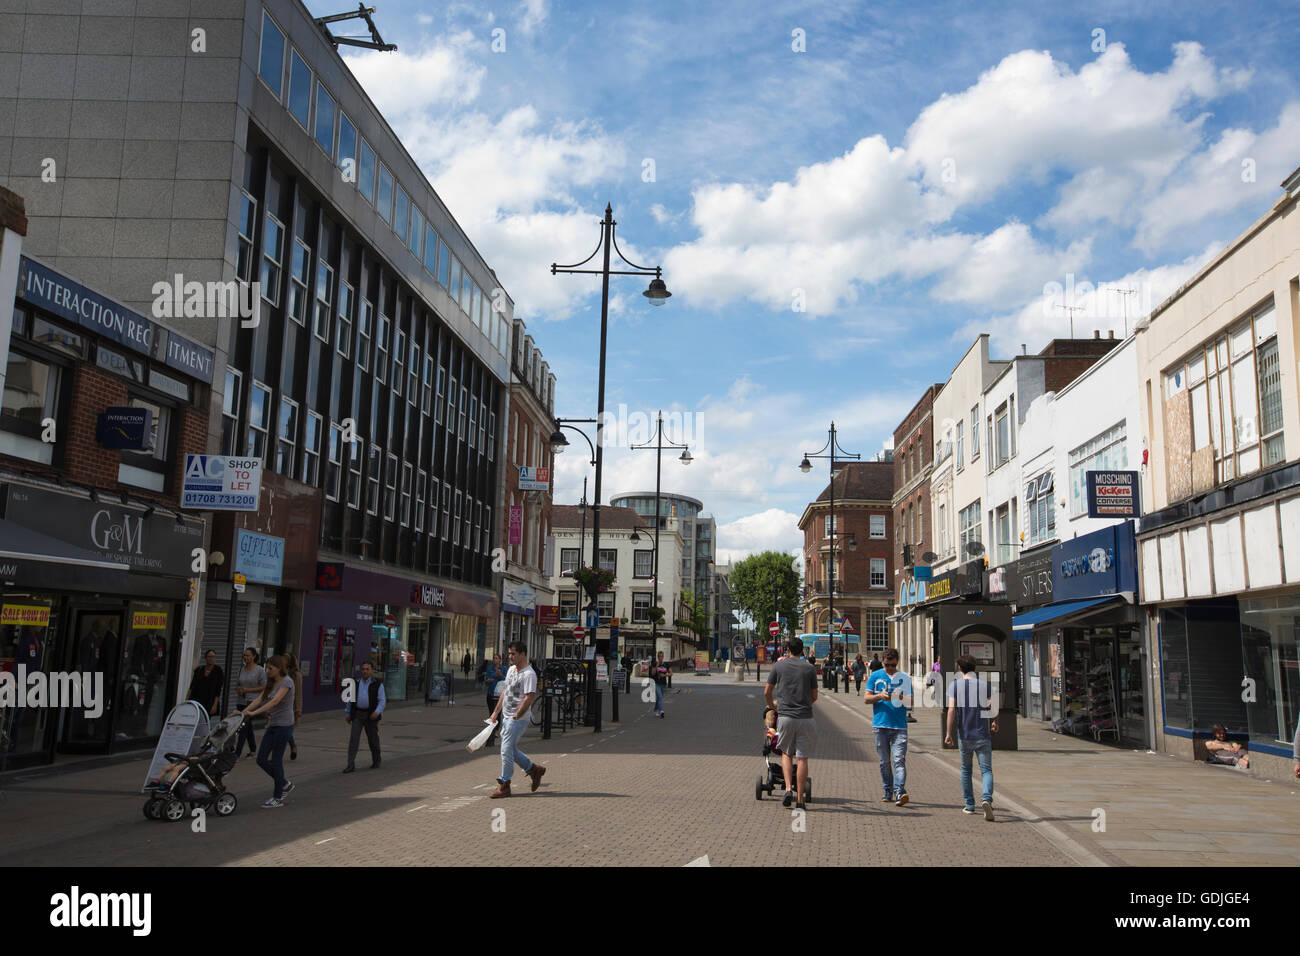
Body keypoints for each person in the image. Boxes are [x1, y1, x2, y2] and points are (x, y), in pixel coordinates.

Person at [763, 636, 818, 810]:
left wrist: (772, 706)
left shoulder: (779, 666)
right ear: (802, 650)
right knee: (802, 758)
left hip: (785, 717)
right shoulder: (809, 668)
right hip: (805, 718)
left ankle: (788, 789)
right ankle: (800, 800)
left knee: (786, 753)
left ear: (787, 650)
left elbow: (767, 691)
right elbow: (814, 696)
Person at [487, 641, 545, 798]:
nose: (510, 657)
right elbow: (505, 691)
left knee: (505, 750)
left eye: (513, 654)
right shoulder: (512, 670)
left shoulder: (529, 674)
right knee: (511, 749)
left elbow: (529, 698)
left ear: (523, 654)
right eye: (509, 653)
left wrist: (516, 716)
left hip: (518, 719)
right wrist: (495, 713)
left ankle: (504, 785)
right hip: (507, 716)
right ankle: (534, 770)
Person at [945, 654, 998, 820]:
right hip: (982, 734)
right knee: (986, 770)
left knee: (966, 770)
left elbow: (952, 710)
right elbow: (994, 704)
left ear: (960, 668)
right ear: (975, 668)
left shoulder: (955, 685)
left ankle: (969, 805)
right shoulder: (984, 685)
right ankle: (986, 799)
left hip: (965, 734)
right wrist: (995, 721)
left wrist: (948, 733)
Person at [242, 655, 296, 808]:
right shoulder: (271, 682)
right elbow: (260, 699)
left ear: (279, 669)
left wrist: (254, 714)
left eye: (271, 668)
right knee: (261, 759)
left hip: (284, 726)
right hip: (273, 725)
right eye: (267, 668)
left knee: (276, 761)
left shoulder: (287, 682)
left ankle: (277, 797)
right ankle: (284, 783)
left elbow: (275, 701)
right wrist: (243, 712)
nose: (267, 671)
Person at [864, 648, 914, 806]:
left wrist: (900, 696)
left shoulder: (904, 678)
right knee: (884, 761)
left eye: (893, 665)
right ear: (883, 662)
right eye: (887, 665)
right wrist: (879, 696)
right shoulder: (875, 676)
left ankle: (900, 792)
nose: (890, 668)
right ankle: (888, 790)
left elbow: (910, 703)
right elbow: (866, 698)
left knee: (899, 760)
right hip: (880, 725)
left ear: (897, 662)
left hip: (899, 726)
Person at [343, 660, 385, 773]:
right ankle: (350, 765)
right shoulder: (355, 683)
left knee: (373, 739)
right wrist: (348, 713)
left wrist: (377, 712)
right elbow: (350, 700)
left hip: (371, 715)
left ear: (372, 670)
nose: (365, 671)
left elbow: (382, 701)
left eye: (367, 669)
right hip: (358, 714)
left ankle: (376, 760)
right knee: (353, 740)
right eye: (363, 669)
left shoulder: (377, 684)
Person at [233, 648, 265, 757]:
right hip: (241, 700)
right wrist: (239, 689)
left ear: (254, 656)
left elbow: (264, 687)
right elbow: (237, 684)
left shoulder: (260, 670)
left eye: (248, 655)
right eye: (244, 655)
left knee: (243, 725)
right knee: (247, 725)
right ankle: (253, 749)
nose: (246, 658)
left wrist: (248, 690)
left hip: (253, 702)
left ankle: (237, 753)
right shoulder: (241, 669)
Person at [188, 650, 224, 717]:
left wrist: (215, 705)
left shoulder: (218, 670)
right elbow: (192, 687)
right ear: (205, 658)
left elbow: (218, 690)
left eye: (213, 657)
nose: (211, 659)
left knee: (206, 720)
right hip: (197, 700)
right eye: (209, 656)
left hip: (210, 701)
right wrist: (187, 701)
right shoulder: (199, 670)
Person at [285, 652, 303, 761]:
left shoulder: (296, 675)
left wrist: (298, 709)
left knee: (286, 730)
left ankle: (292, 746)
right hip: (280, 705)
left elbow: (298, 693)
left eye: (286, 659)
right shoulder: (280, 672)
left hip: (291, 707)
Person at [483, 653, 504, 747]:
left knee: (498, 713)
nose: (495, 660)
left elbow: (506, 679)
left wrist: (500, 675)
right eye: (494, 658)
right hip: (491, 693)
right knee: (491, 712)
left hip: (499, 695)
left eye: (496, 658)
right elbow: (486, 680)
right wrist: (489, 680)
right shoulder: (490, 669)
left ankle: (495, 731)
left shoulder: (503, 669)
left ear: (500, 660)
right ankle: (491, 731)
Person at [650, 651, 670, 718]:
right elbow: (652, 673)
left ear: (663, 657)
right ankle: (661, 711)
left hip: (664, 684)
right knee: (660, 697)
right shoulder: (655, 664)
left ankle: (656, 709)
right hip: (656, 683)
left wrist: (665, 675)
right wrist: (656, 666)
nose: (660, 658)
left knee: (659, 698)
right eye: (659, 656)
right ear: (658, 657)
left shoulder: (666, 664)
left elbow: (671, 673)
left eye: (662, 656)